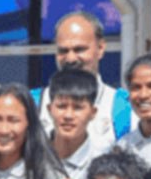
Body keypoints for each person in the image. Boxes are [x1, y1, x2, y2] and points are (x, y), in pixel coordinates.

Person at [33, 10, 133, 154]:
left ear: (100, 48)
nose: (71, 58)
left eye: (79, 49)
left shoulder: (124, 107)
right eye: (63, 51)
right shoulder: (33, 103)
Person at [44, 66, 100, 179]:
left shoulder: (103, 162)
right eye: (62, 106)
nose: (68, 116)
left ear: (93, 112)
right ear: (50, 110)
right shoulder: (30, 158)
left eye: (78, 107)